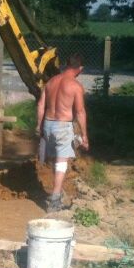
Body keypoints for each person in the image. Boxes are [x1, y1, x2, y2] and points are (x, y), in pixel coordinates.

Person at [36, 53, 90, 212]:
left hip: (48, 125)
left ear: (66, 66)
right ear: (80, 69)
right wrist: (84, 135)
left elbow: (40, 105)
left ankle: (58, 192)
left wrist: (39, 126)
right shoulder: (75, 86)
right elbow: (80, 112)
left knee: (56, 161)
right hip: (62, 126)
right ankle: (55, 199)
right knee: (61, 163)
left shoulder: (51, 82)